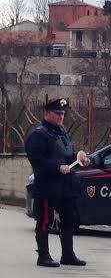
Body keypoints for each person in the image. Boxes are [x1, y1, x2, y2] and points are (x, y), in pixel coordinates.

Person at [25, 98, 91, 268]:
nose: (61, 117)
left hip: (66, 185)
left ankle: (68, 254)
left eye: (63, 114)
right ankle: (43, 256)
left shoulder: (61, 133)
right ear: (47, 114)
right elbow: (36, 159)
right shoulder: (38, 135)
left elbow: (67, 155)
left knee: (70, 219)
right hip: (48, 185)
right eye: (57, 113)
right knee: (45, 220)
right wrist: (56, 168)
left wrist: (79, 159)